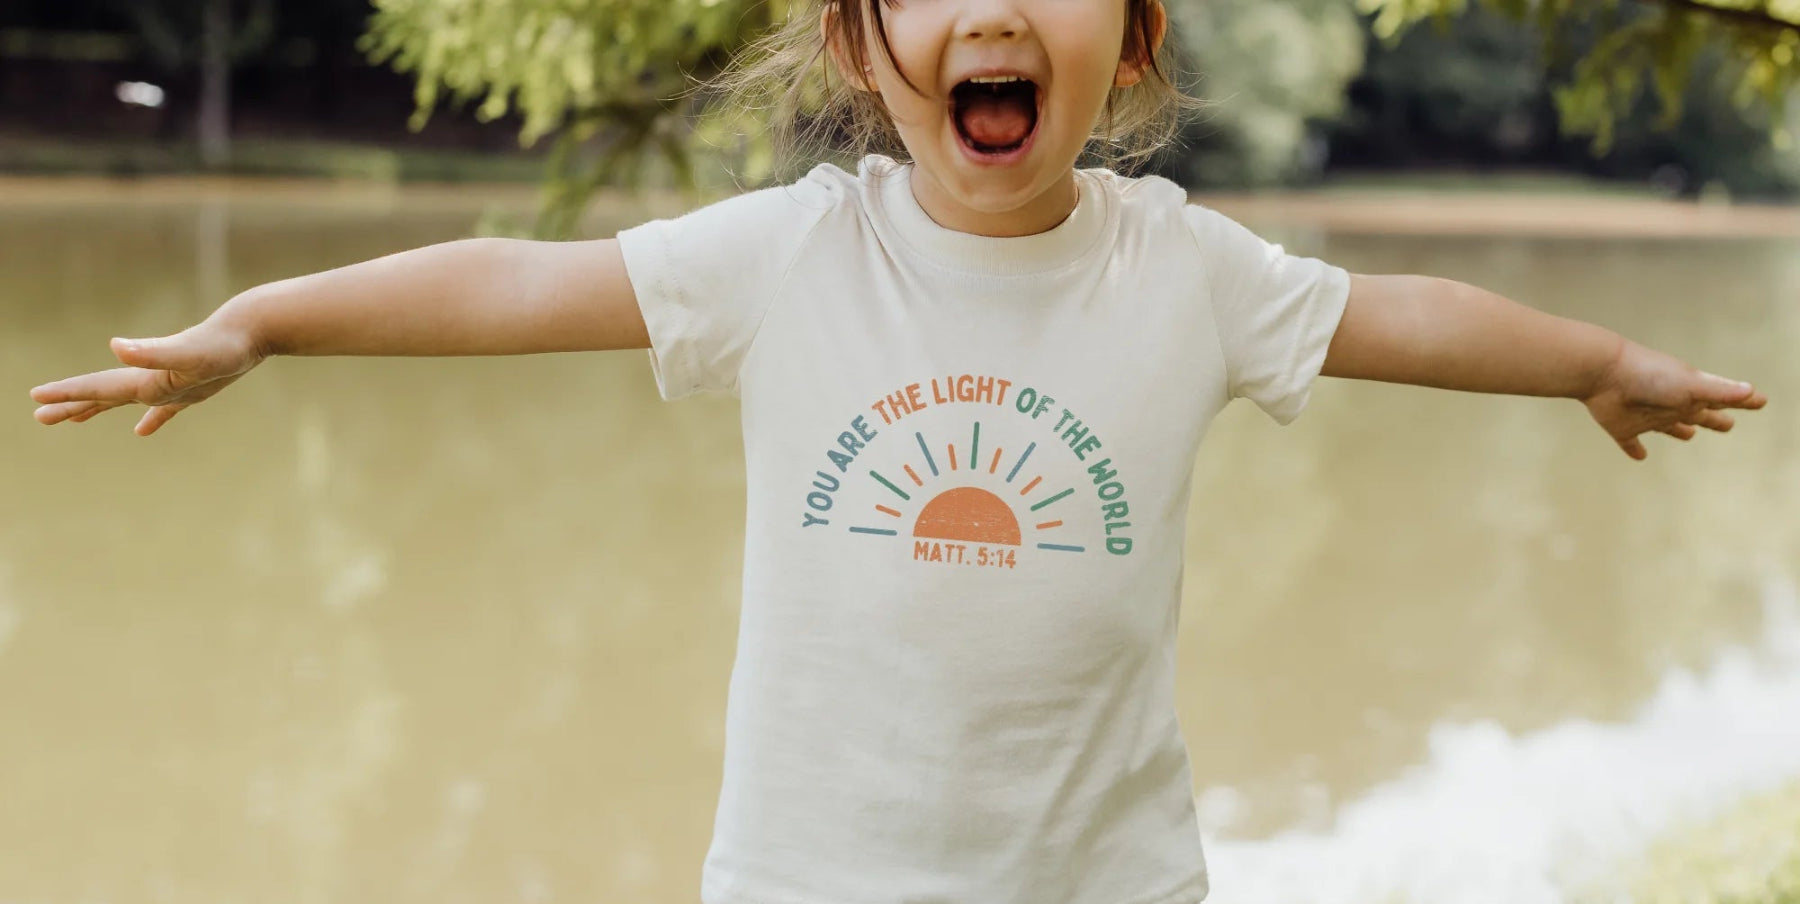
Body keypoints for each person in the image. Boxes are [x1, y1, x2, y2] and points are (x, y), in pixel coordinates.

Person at [26, 1, 1768, 902]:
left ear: (1133, 40)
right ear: (864, 45)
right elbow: (517, 277)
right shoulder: (794, 255)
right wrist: (271, 318)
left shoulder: (1190, 272)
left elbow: (1408, 315)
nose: (993, 10)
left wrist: (1598, 363)